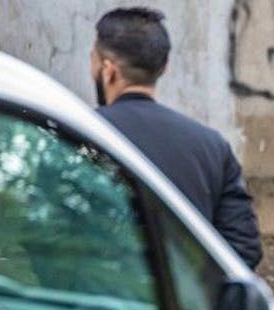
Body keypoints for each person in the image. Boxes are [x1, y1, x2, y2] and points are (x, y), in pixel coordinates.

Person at [90, 7, 263, 269]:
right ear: (164, 66)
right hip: (184, 294)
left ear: (108, 70)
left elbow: (47, 232)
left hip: (98, 291)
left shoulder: (80, 135)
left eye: (92, 58)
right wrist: (190, 287)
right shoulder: (211, 145)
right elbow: (243, 247)